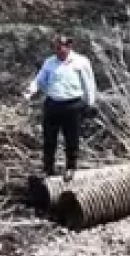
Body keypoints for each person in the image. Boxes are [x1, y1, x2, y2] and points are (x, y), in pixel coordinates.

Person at [22, 35, 97, 181]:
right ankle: (48, 168)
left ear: (69, 47)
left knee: (71, 138)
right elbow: (40, 79)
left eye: (61, 48)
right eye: (56, 48)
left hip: (73, 104)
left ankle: (70, 167)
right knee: (49, 139)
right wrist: (30, 91)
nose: (58, 51)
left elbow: (89, 84)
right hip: (53, 104)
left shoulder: (81, 62)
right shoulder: (49, 62)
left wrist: (90, 103)